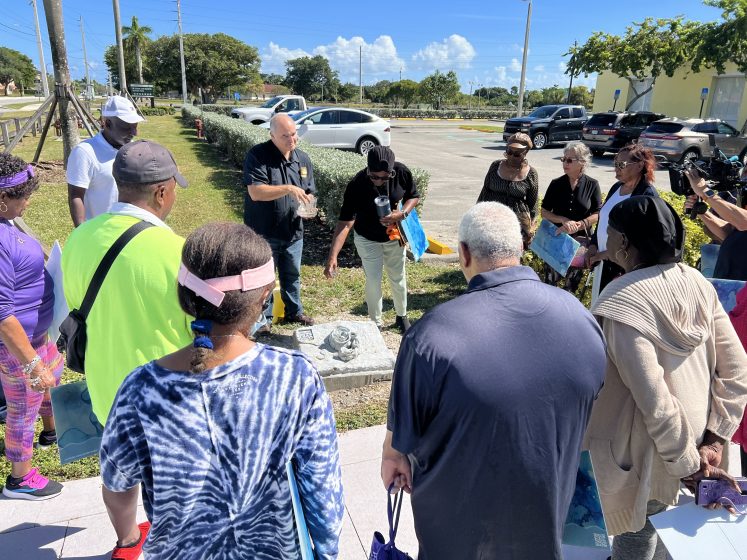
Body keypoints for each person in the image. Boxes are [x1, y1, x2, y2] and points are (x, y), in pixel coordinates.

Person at [100, 222, 344, 560]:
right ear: (263, 298)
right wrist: (327, 552)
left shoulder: (140, 389)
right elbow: (322, 489)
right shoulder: (294, 376)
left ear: (185, 296)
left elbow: (117, 484)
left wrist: (128, 538)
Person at [381, 202, 606, 559]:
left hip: (456, 540)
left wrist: (392, 456)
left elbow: (400, 445)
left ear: (464, 253)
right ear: (519, 249)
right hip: (547, 531)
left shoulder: (431, 337)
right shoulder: (582, 318)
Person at [587, 196, 747, 560]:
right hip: (699, 445)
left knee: (637, 534)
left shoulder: (621, 300)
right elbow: (738, 369)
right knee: (675, 542)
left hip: (647, 454)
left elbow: (654, 399)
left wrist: (688, 465)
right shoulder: (697, 281)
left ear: (624, 242)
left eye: (609, 231)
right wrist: (715, 440)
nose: (606, 238)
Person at [0, 153, 63, 500]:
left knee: (49, 382)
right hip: (18, 346)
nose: (28, 202)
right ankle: (19, 478)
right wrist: (30, 362)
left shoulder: (7, 223)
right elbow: (1, 312)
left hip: (37, 336)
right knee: (23, 404)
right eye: (22, 196)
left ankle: (52, 432)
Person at [324, 146, 419, 332]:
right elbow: (345, 222)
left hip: (393, 237)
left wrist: (402, 213)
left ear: (392, 171)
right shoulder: (357, 183)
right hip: (367, 238)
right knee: (373, 280)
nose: (379, 181)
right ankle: (375, 323)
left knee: (397, 277)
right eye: (374, 176)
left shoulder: (401, 172)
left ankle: (402, 316)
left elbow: (413, 196)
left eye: (385, 177)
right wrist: (333, 256)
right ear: (368, 169)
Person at [243, 113, 316, 332]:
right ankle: (262, 321)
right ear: (272, 135)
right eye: (285, 136)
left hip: (293, 231)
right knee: (263, 280)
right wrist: (288, 188)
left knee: (292, 275)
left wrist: (310, 204)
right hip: (263, 232)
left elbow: (310, 191)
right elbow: (256, 192)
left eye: (294, 134)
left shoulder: (303, 159)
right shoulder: (258, 155)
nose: (292, 140)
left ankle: (294, 312)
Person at [586, 143, 658, 302]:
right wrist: (593, 246)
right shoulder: (616, 187)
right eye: (615, 164)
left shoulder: (647, 195)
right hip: (604, 263)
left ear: (640, 166)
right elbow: (603, 221)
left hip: (625, 269)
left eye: (621, 165)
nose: (616, 168)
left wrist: (605, 254)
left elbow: (641, 239)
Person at [66, 95, 143, 226]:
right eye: (127, 127)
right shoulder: (85, 152)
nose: (134, 133)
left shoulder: (132, 148)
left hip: (128, 230)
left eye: (135, 126)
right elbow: (76, 196)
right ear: (107, 123)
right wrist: (82, 232)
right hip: (99, 231)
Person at [540, 141, 602, 291]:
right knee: (550, 284)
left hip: (579, 244)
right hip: (557, 240)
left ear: (582, 162)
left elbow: (599, 213)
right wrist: (563, 220)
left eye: (569, 160)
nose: (564, 163)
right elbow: (544, 212)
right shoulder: (556, 184)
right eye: (563, 159)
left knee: (571, 286)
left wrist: (581, 224)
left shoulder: (592, 184)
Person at [476, 132, 539, 249]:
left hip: (516, 222)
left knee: (511, 254)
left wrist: (531, 227)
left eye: (517, 154)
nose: (511, 157)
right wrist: (476, 214)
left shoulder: (531, 173)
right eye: (509, 152)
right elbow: (485, 192)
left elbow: (533, 203)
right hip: (492, 217)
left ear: (525, 153)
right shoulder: (495, 166)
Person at [684, 169, 747, 280]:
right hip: (729, 283)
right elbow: (732, 234)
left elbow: (744, 223)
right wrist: (701, 211)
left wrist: (704, 192)